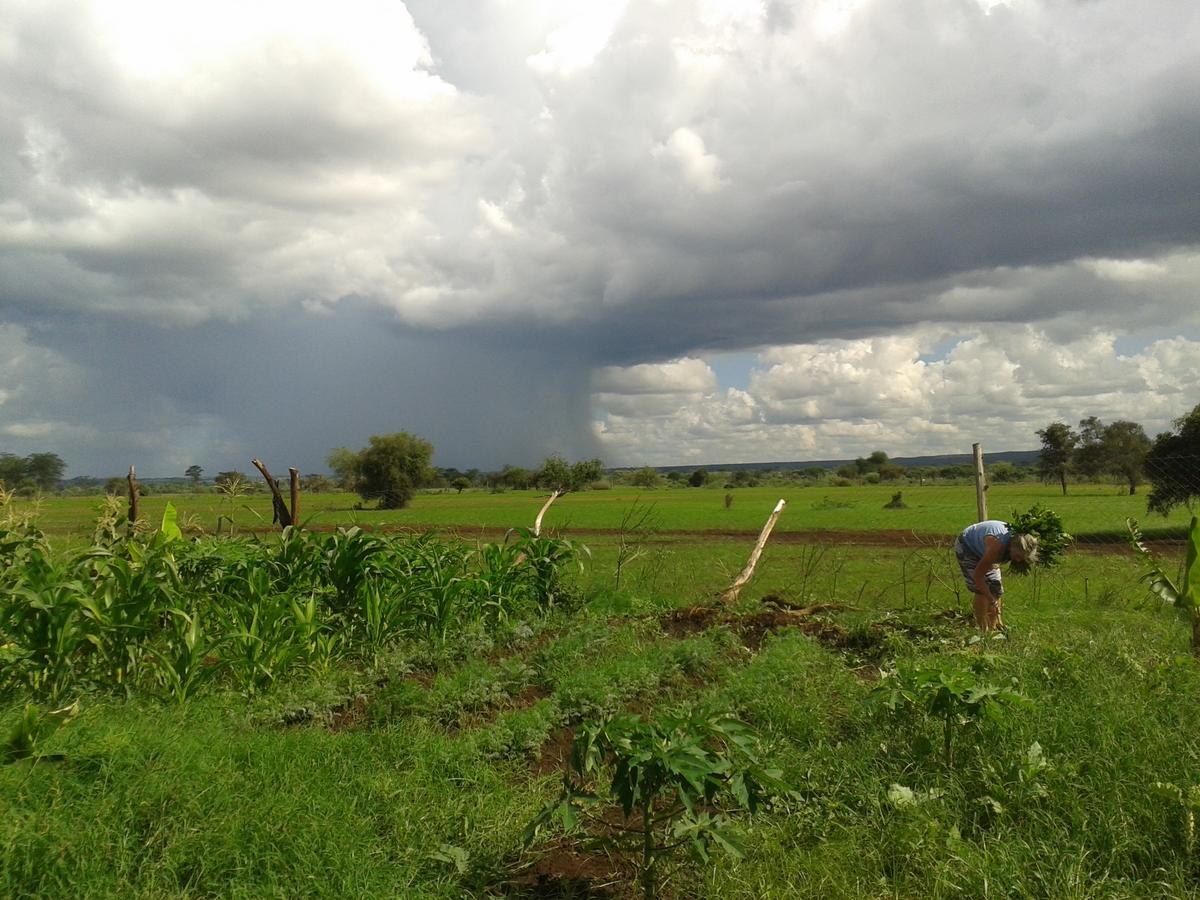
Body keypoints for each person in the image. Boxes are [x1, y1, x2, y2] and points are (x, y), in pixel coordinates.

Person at [954, 520, 1039, 632]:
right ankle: (983, 630)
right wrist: (991, 600)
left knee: (996, 588)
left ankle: (994, 628)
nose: (1018, 560)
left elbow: (994, 586)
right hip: (968, 547)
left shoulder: (1014, 544)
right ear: (1012, 547)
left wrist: (993, 599)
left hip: (986, 549)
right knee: (981, 591)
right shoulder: (996, 547)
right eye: (1017, 556)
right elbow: (978, 577)